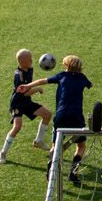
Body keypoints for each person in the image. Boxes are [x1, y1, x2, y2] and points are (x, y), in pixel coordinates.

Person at [16, 55, 93, 185]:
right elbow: (90, 85)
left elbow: (42, 81)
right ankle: (73, 173)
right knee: (80, 146)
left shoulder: (61, 76)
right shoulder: (82, 78)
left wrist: (27, 85)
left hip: (61, 115)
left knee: (55, 145)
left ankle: (51, 169)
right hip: (76, 116)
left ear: (66, 66)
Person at [0, 48, 52, 163]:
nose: (32, 60)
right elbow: (25, 92)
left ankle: (38, 141)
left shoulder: (30, 69)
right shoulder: (19, 76)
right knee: (17, 127)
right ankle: (3, 153)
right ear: (23, 61)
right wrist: (37, 88)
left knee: (47, 115)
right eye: (30, 59)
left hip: (26, 102)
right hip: (18, 103)